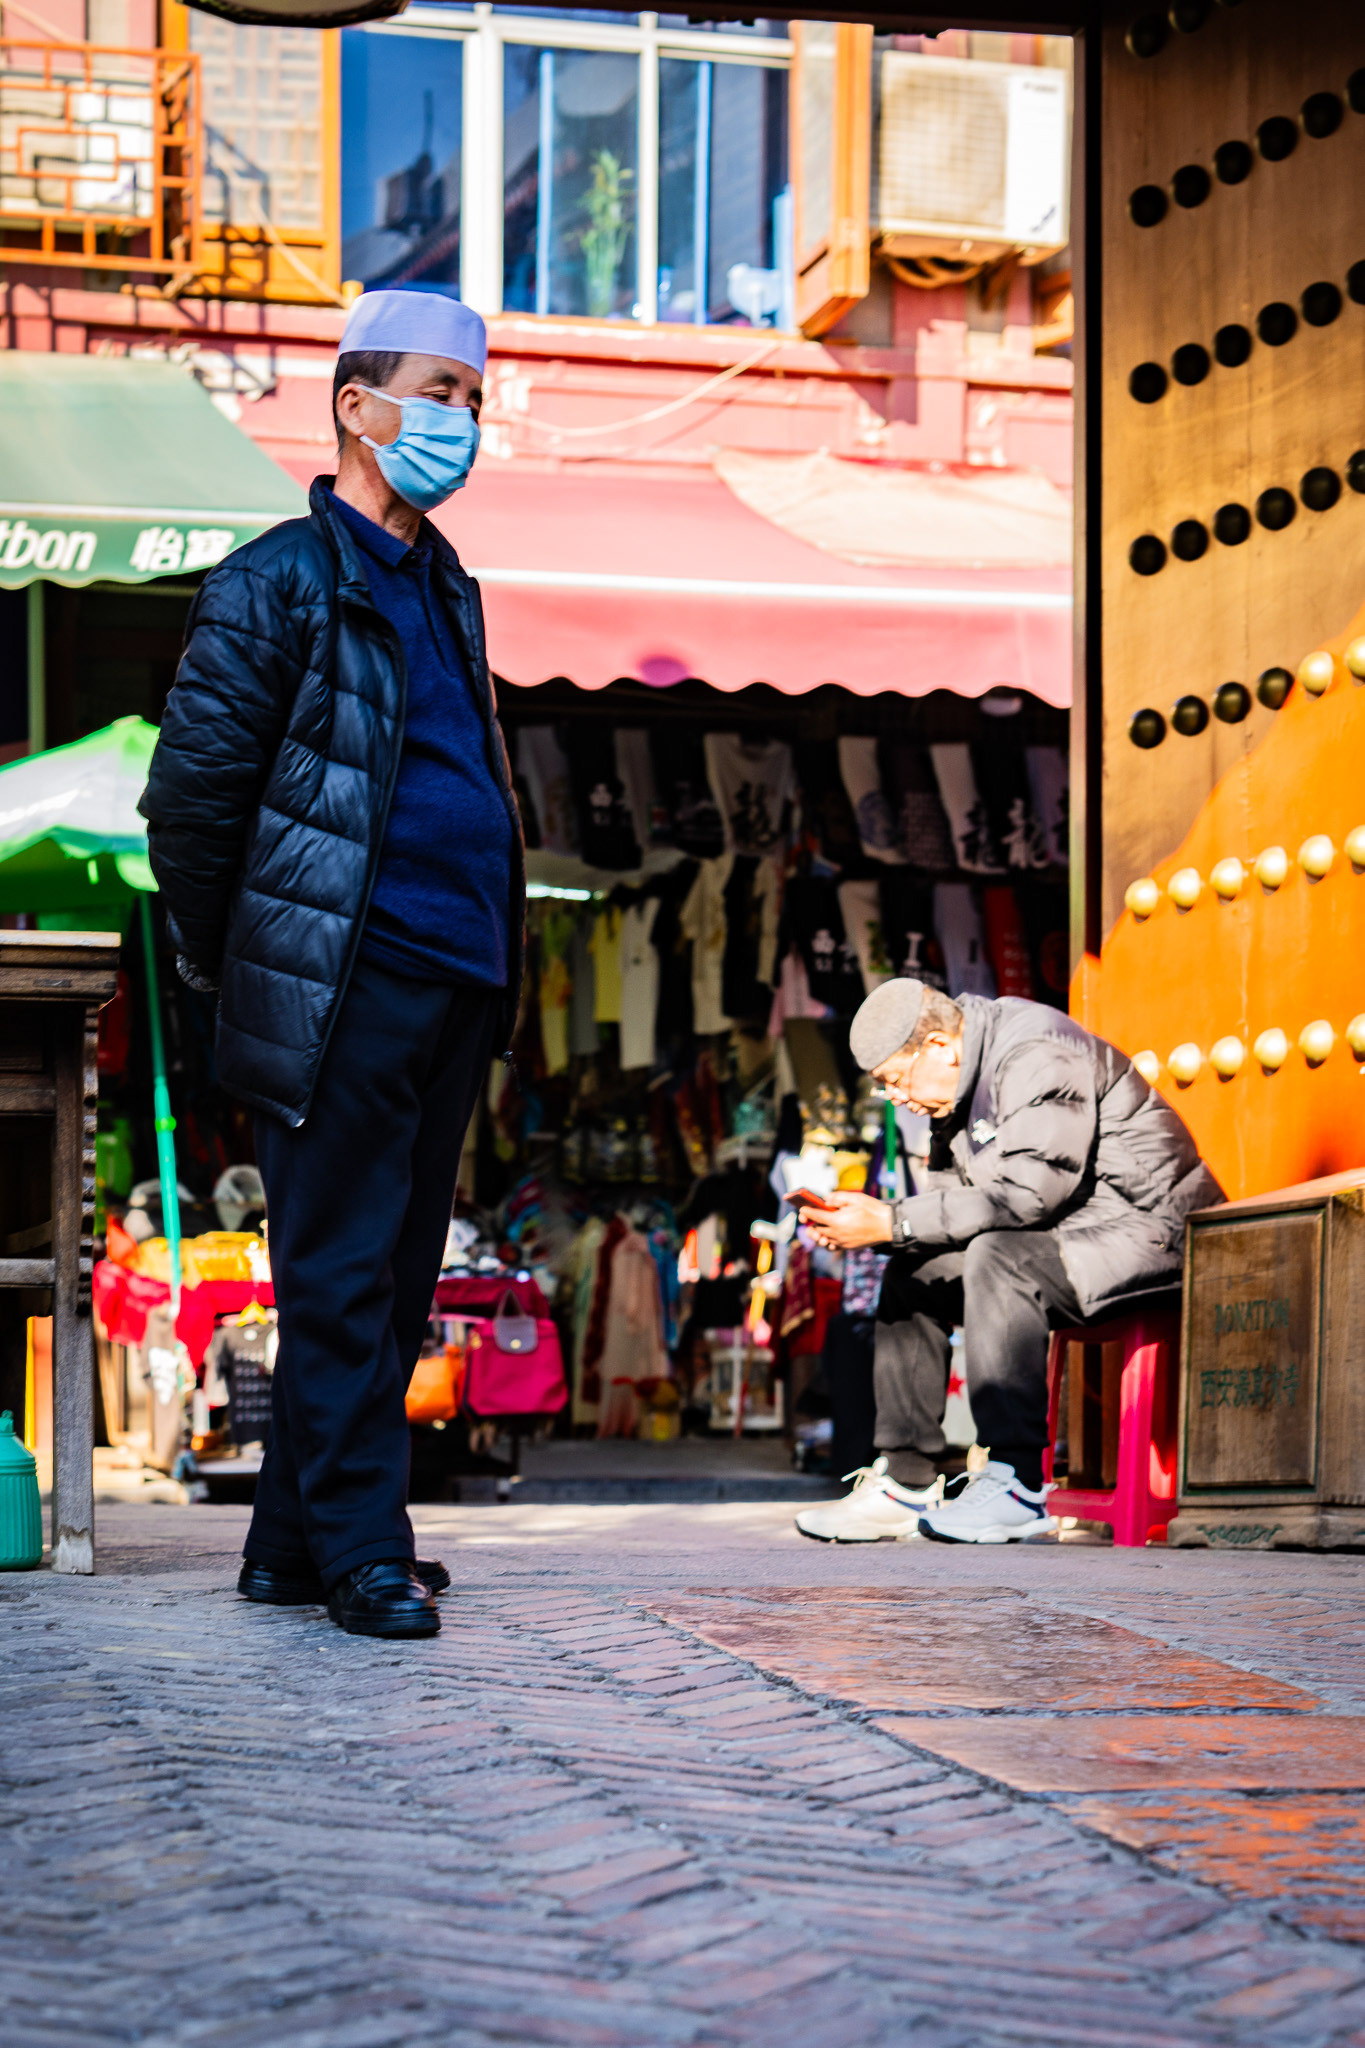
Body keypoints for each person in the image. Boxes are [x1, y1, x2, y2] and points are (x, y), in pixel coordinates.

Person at [140, 285, 524, 1637]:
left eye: (474, 400)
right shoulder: (276, 582)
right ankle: (368, 1552)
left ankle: (290, 1546)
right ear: (357, 406)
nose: (460, 423)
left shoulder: (448, 583)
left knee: (398, 1273)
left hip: (453, 975)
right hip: (339, 980)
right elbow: (188, 807)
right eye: (437, 394)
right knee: (341, 1273)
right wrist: (232, 971)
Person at [794, 979, 1221, 1544]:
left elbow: (1025, 1196)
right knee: (913, 1273)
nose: (896, 1098)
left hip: (1148, 1230)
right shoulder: (955, 1088)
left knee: (1000, 1258)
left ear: (941, 1047)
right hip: (1070, 1234)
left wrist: (893, 1220)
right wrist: (877, 1229)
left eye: (896, 1081)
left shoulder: (1036, 1051)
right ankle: (905, 1481)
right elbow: (953, 1215)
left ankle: (1017, 1482)